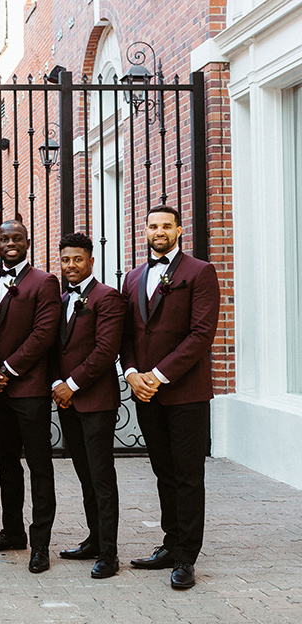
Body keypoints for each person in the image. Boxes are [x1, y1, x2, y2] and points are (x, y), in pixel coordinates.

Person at [121, 204, 220, 590]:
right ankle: (169, 543)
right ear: (144, 231)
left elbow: (200, 334)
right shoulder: (132, 277)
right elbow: (126, 334)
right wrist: (132, 374)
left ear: (179, 230)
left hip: (185, 392)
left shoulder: (200, 272)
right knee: (163, 471)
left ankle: (186, 557)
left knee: (188, 475)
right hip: (145, 392)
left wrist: (158, 376)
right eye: (152, 225)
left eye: (166, 225)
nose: (158, 231)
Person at [0, 219, 61, 574]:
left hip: (29, 390)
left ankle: (40, 542)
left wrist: (7, 370)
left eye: (16, 238)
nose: (10, 243)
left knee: (39, 466)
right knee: (6, 465)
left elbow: (44, 334)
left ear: (28, 242)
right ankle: (12, 531)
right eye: (3, 238)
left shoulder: (45, 282)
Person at [50, 233, 126, 579]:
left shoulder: (107, 298)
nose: (71, 266)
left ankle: (109, 553)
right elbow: (56, 349)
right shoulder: (62, 298)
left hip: (96, 402)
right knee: (84, 475)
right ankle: (94, 540)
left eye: (77, 259)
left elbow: (106, 351)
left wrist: (72, 384)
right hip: (68, 403)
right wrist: (56, 384)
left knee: (101, 476)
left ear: (91, 261)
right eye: (65, 260)